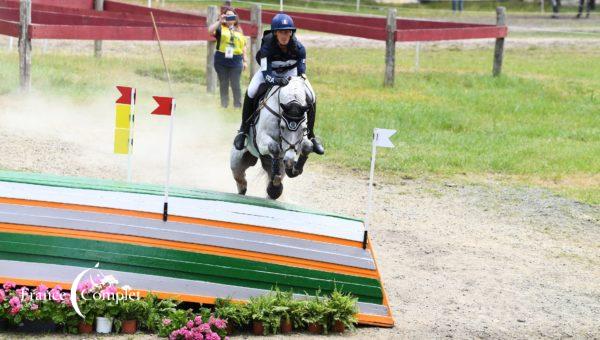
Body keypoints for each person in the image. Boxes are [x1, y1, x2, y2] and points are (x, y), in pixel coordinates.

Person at [232, 13, 325, 155]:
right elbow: (266, 74)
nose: (284, 35)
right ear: (275, 33)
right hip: (270, 73)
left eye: (287, 32)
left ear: (291, 33)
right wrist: (277, 81)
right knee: (251, 90)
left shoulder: (299, 48)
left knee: (311, 95)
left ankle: (311, 136)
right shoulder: (267, 48)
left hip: (291, 73)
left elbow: (301, 73)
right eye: (281, 32)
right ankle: (243, 131)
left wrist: (293, 82)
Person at [208, 7, 247, 108]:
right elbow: (210, 30)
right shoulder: (220, 28)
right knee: (224, 83)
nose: (230, 17)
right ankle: (224, 104)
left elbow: (243, 46)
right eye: (227, 15)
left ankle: (237, 105)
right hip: (222, 60)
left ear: (235, 17)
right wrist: (220, 21)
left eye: (232, 15)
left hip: (236, 60)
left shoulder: (239, 30)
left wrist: (245, 60)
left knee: (235, 83)